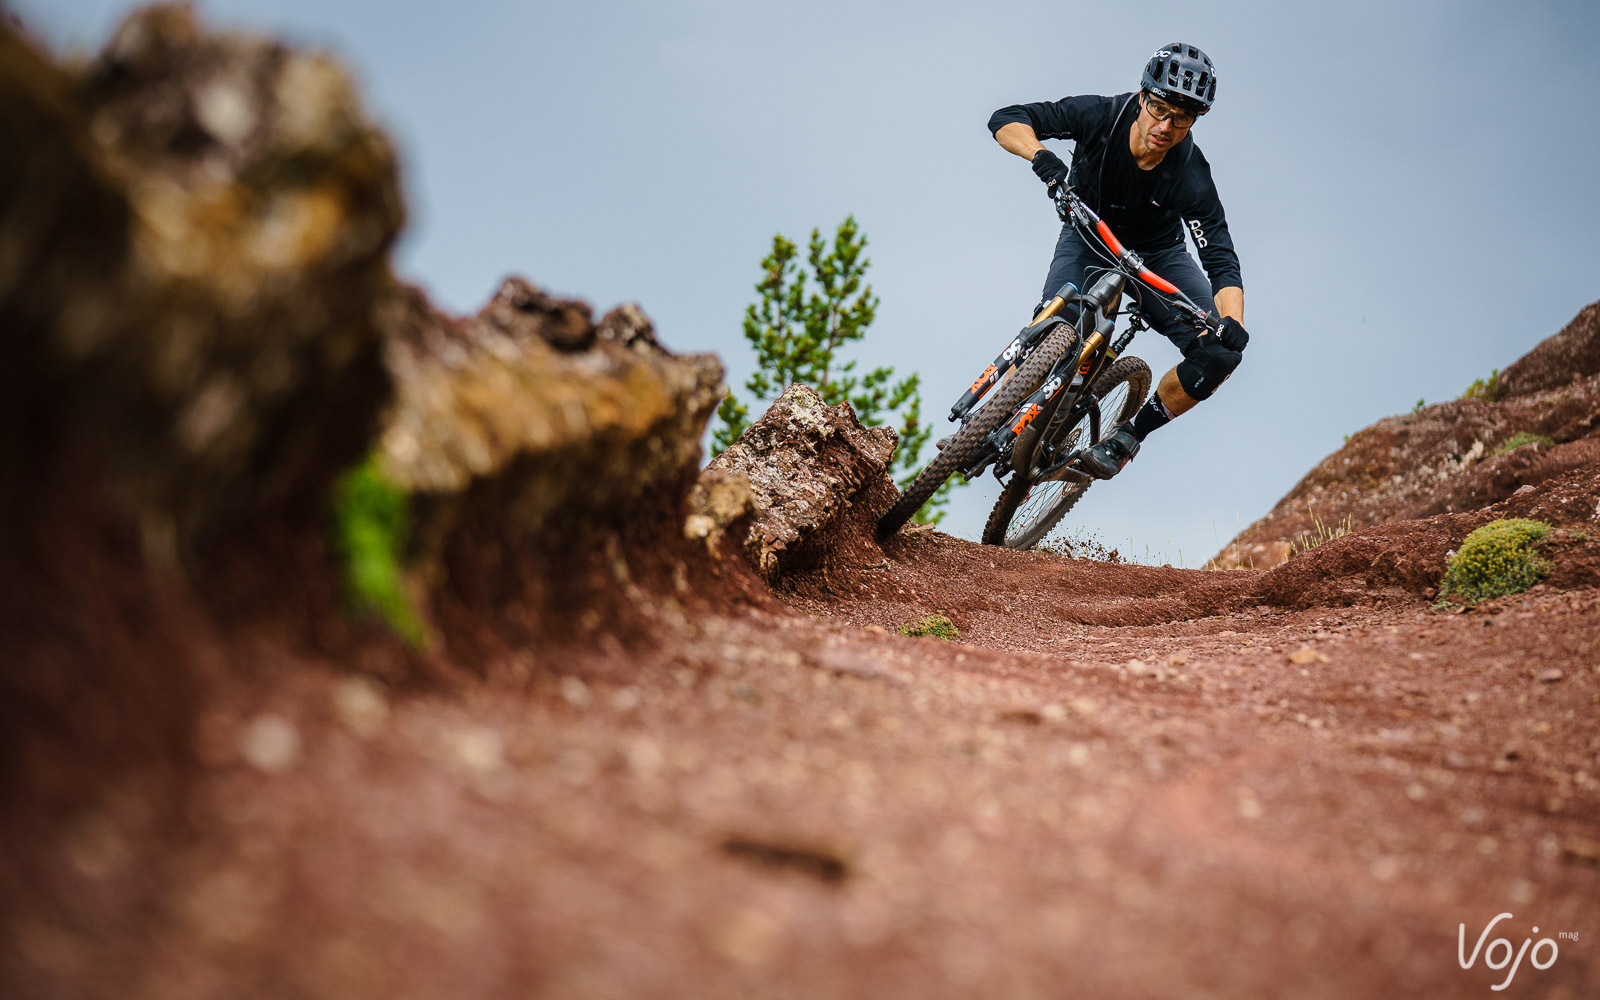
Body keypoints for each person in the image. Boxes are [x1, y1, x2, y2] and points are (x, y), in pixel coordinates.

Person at [987, 42, 1248, 479]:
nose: (1166, 126)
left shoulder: (1191, 174)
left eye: (1182, 118)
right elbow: (1007, 118)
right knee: (1056, 326)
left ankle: (1130, 436)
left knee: (1221, 355)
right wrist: (1042, 156)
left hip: (1157, 259)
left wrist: (1232, 323)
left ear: (1195, 119)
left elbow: (1219, 255)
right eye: (1160, 108)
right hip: (1090, 235)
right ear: (1143, 96)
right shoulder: (1101, 116)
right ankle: (994, 415)